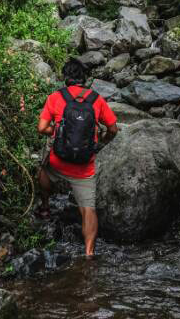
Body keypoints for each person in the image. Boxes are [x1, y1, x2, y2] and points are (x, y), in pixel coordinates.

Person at [36, 58, 118, 256]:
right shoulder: (96, 100)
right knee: (88, 209)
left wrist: (56, 131)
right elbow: (113, 129)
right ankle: (89, 253)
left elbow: (41, 128)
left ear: (66, 78)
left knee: (44, 172)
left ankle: (45, 207)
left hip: (59, 160)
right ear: (85, 79)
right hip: (84, 167)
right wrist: (101, 141)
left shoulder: (56, 98)